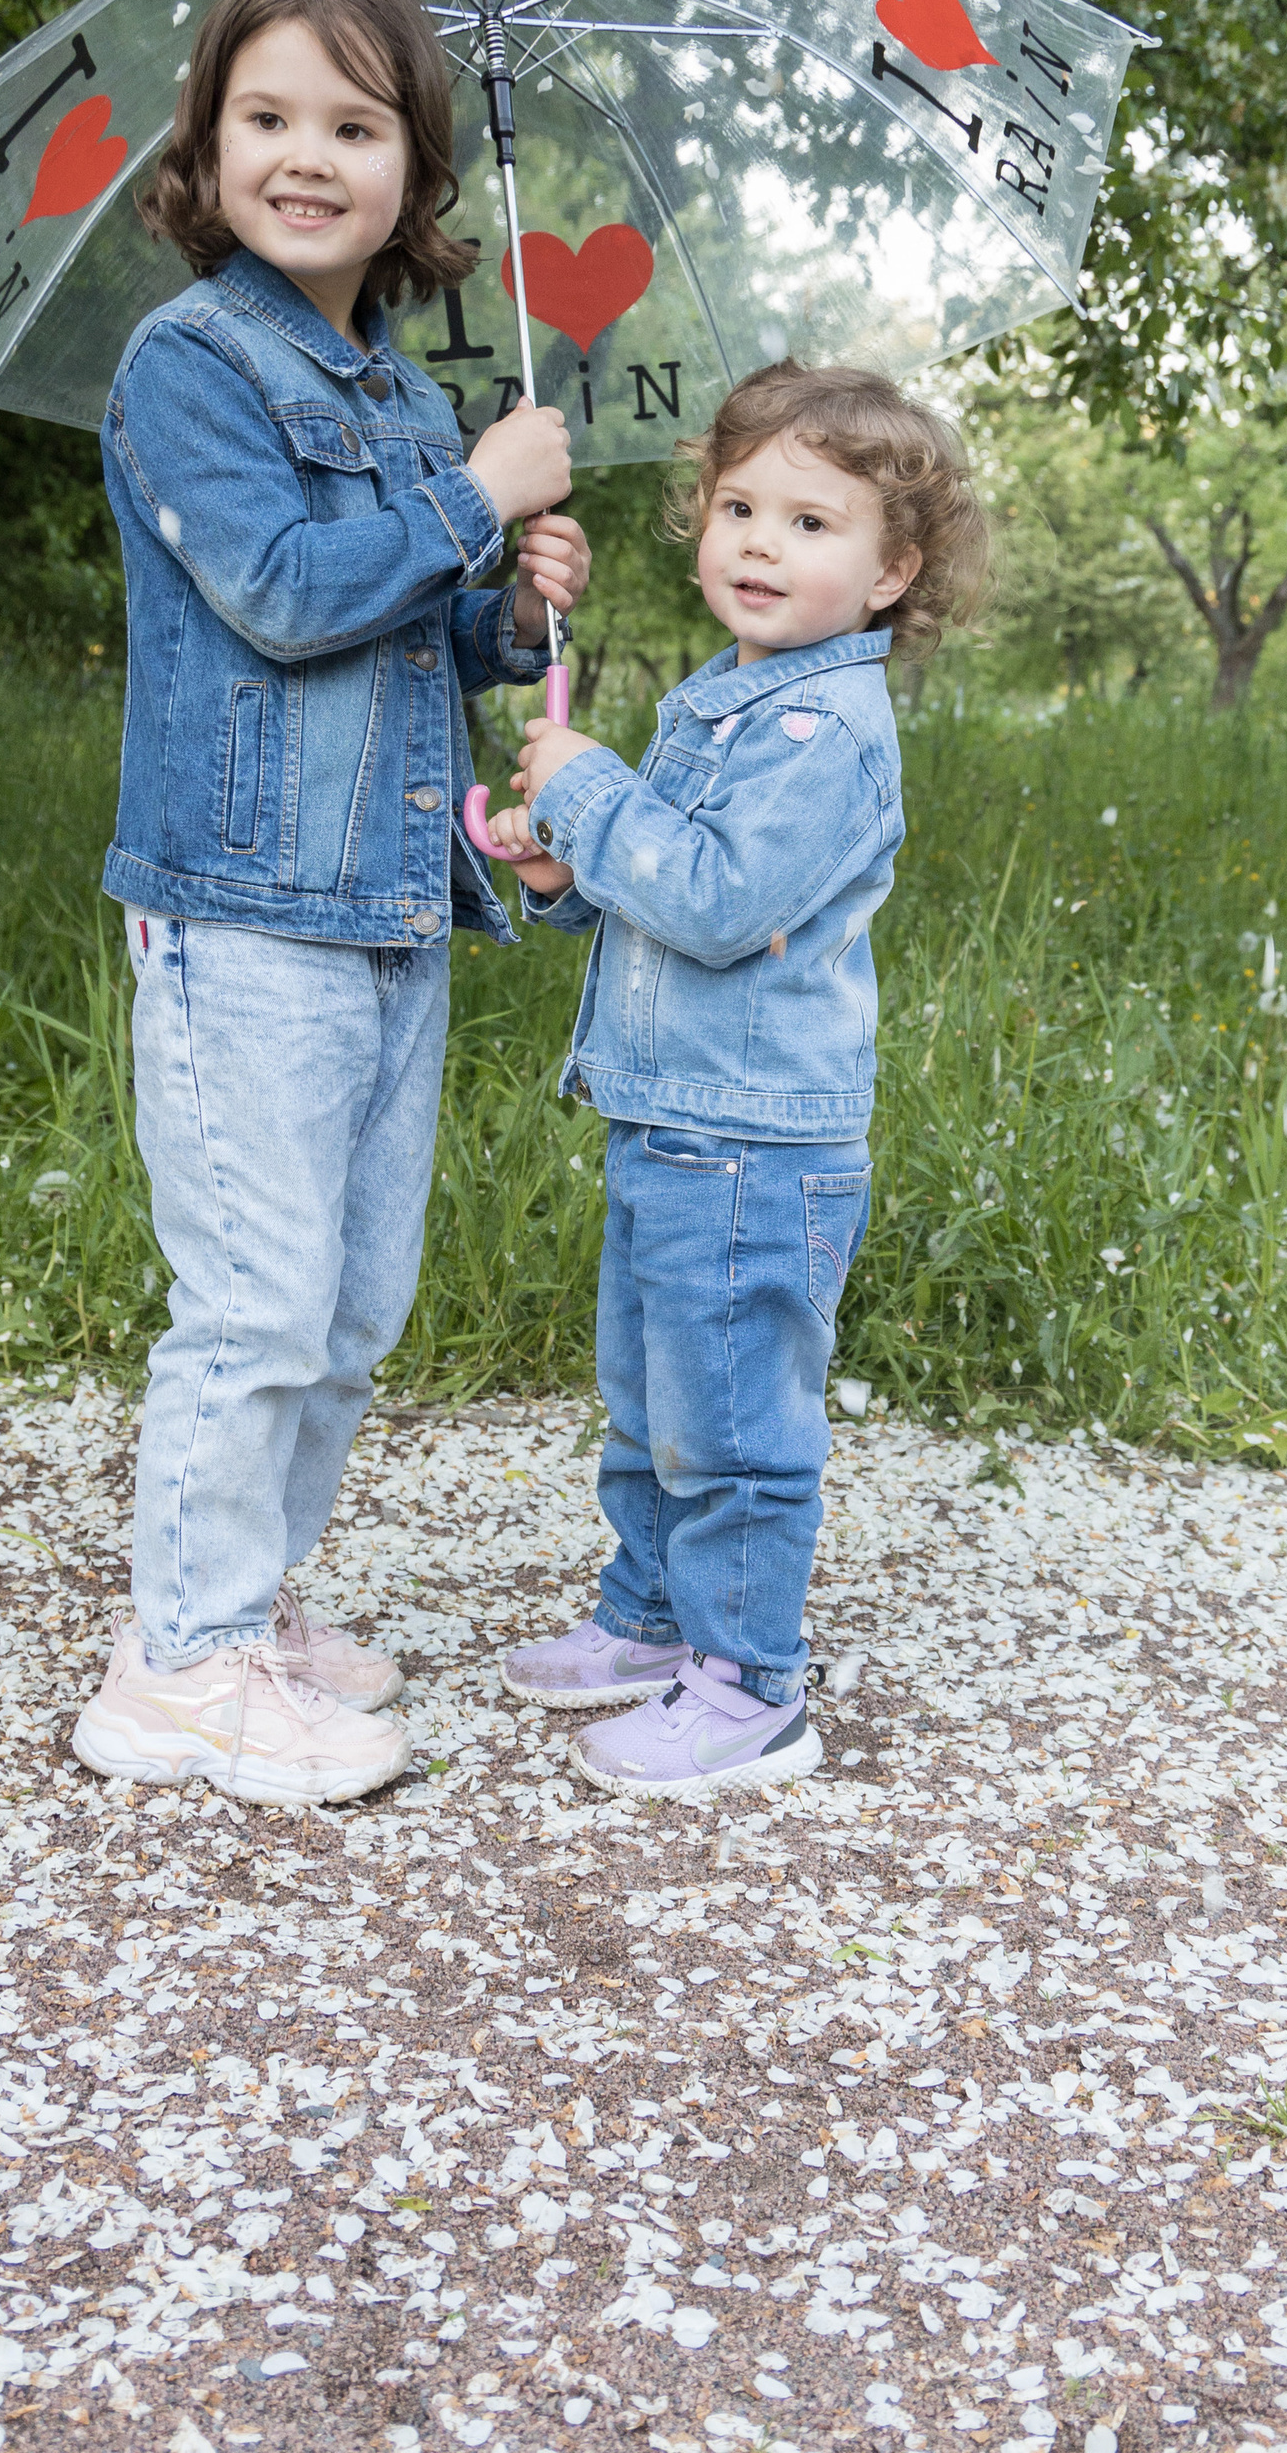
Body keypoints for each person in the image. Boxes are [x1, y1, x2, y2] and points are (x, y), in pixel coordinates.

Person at [71, 0, 589, 1807]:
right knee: (259, 1299)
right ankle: (180, 1668)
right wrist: (475, 496)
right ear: (208, 150)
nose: (308, 155)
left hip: (386, 906)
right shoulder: (188, 367)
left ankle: (242, 1601)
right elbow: (284, 598)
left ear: (413, 174)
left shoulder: (391, 397)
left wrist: (507, 611)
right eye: (267, 117)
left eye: (355, 127)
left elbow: (402, 639)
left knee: (353, 1308)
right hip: (243, 908)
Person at [482, 364, 988, 1794]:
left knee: (734, 1425)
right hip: (672, 1118)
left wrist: (588, 788)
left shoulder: (829, 736)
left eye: (812, 524)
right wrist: (567, 863)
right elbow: (658, 889)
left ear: (890, 574)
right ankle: (653, 1617)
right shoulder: (730, 701)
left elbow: (715, 903)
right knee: (652, 1401)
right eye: (740, 508)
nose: (761, 543)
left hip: (757, 1146)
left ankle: (750, 1685)